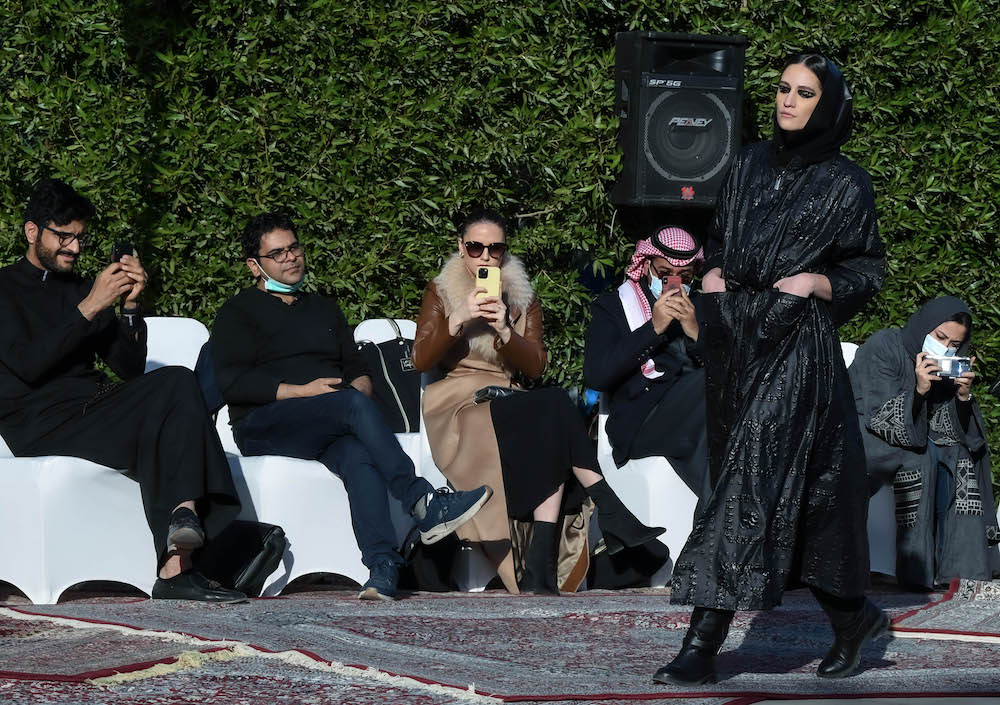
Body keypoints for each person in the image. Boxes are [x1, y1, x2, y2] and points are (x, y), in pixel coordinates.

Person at [654, 53, 887, 686]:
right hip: (737, 341)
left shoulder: (847, 183)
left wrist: (818, 281)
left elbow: (868, 268)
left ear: (827, 105)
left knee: (744, 480)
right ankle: (853, 616)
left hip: (796, 347)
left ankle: (703, 641)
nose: (788, 101)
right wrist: (712, 271)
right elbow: (723, 240)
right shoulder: (749, 163)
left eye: (804, 93)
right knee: (793, 493)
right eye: (783, 89)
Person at [211, 212, 492, 601]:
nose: (291, 258)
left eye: (294, 247)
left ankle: (382, 567)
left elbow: (357, 368)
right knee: (346, 406)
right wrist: (302, 391)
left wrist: (358, 393)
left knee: (358, 456)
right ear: (254, 265)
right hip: (264, 422)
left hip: (327, 420)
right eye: (278, 254)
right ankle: (420, 500)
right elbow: (232, 382)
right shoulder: (237, 312)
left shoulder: (324, 308)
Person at [0, 178, 245, 602]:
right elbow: (27, 365)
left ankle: (181, 532)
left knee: (177, 381)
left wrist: (131, 307)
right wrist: (92, 306)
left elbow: (128, 369)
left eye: (79, 238)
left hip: (93, 410)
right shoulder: (4, 288)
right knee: (170, 399)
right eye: (64, 237)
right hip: (38, 422)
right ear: (32, 231)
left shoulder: (80, 288)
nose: (74, 249)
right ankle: (190, 553)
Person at [412, 209, 663, 595]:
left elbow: (536, 366)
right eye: (476, 247)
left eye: (495, 249)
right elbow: (421, 360)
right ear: (461, 248)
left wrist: (505, 331)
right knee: (557, 408)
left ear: (504, 251)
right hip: (459, 403)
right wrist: (458, 318)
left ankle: (541, 570)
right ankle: (609, 509)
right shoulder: (442, 290)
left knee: (552, 411)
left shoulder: (521, 295)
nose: (485, 257)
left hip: (509, 399)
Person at [850, 297, 1000, 588]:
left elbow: (959, 432)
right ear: (924, 326)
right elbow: (874, 413)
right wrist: (919, 391)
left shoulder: (946, 366)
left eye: (955, 344)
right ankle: (916, 572)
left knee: (960, 455)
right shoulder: (885, 345)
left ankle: (959, 569)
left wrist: (962, 396)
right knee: (920, 456)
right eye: (940, 337)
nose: (945, 347)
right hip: (863, 434)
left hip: (918, 438)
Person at [584, 227, 712, 507]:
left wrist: (693, 330)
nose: (675, 284)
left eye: (685, 277)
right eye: (665, 274)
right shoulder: (614, 306)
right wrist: (652, 329)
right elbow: (596, 375)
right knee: (711, 389)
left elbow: (728, 367)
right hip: (642, 419)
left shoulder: (700, 309)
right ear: (645, 266)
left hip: (694, 415)